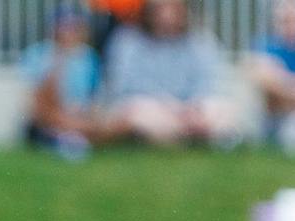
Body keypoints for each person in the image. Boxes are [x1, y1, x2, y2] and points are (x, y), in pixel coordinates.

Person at [96, 0, 240, 146]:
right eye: (161, 9)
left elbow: (210, 80)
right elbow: (124, 87)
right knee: (139, 114)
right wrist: (167, 105)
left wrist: (193, 108)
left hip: (193, 108)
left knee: (221, 109)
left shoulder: (200, 41)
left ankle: (188, 137)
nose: (167, 15)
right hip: (150, 106)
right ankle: (194, 139)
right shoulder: (127, 41)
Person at [20, 5, 101, 158]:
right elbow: (34, 100)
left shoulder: (89, 57)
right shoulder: (37, 54)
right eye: (65, 27)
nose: (69, 32)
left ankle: (72, 136)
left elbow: (93, 96)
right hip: (48, 116)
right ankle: (70, 137)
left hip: (78, 113)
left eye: (74, 27)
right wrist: (61, 58)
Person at [246, 0, 295, 151]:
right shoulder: (266, 46)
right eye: (283, 20)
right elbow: (262, 77)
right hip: (273, 118)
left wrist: (282, 84)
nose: (287, 26)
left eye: (290, 19)